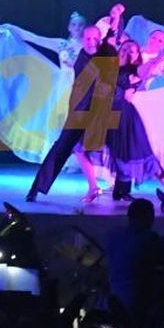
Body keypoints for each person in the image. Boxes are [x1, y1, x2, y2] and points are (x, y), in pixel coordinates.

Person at [24, 18, 120, 203]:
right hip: (79, 112)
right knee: (61, 148)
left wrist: (115, 19)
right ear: (83, 39)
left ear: (99, 39)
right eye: (88, 38)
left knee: (119, 147)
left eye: (94, 38)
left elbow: (109, 39)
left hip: (100, 112)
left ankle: (117, 189)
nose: (91, 41)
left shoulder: (105, 52)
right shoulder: (84, 55)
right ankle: (36, 188)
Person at [106, 35, 164, 203]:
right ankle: (121, 189)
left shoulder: (137, 70)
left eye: (133, 51)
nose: (129, 53)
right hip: (111, 115)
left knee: (137, 151)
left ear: (137, 56)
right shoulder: (109, 67)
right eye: (125, 49)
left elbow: (155, 62)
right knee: (118, 151)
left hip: (129, 117)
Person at [104, 198, 164, 322]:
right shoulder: (150, 238)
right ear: (147, 217)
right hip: (138, 304)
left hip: (114, 300)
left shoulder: (113, 235)